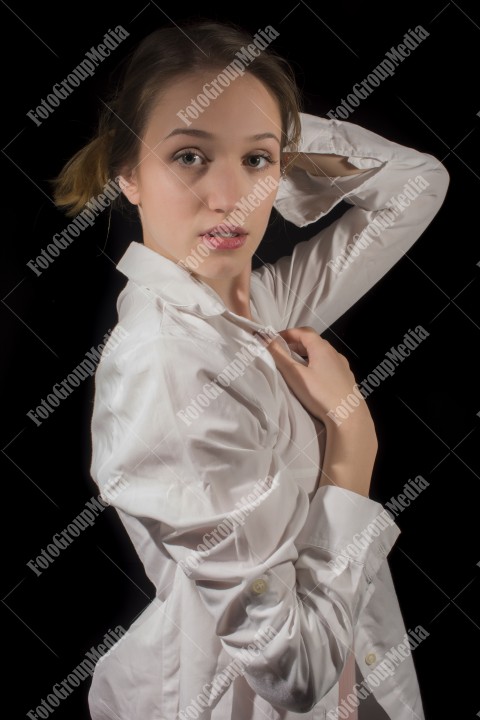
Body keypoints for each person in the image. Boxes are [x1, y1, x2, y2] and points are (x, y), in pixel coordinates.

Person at [53, 19, 449, 720]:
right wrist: (352, 439)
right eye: (188, 157)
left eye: (257, 163)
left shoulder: (251, 303)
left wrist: (274, 133)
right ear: (128, 174)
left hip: (352, 677)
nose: (230, 196)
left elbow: (418, 183)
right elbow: (293, 670)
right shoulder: (171, 369)